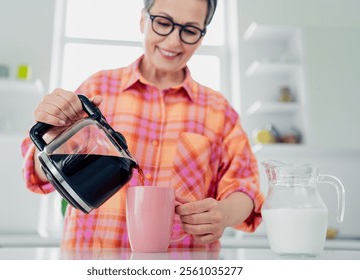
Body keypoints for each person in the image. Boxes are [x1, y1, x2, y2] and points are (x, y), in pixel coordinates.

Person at [21, 0, 265, 249]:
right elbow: (40, 174)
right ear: (142, 20)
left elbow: (246, 188)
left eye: (190, 30)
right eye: (162, 23)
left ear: (201, 36)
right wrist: (53, 137)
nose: (173, 41)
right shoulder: (98, 89)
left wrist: (223, 214)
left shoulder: (219, 111)